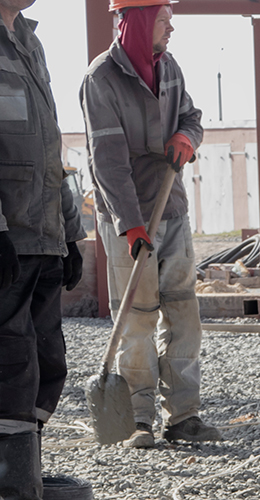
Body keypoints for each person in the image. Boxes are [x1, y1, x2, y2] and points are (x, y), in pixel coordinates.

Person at [80, 0, 221, 448]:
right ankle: (139, 418)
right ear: (138, 22)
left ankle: (184, 416)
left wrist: (187, 137)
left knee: (183, 313)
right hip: (129, 218)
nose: (171, 27)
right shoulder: (100, 79)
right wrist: (130, 225)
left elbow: (192, 118)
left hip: (171, 208)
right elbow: (108, 161)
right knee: (137, 317)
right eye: (164, 19)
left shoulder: (170, 69)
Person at [0, 0, 87, 495]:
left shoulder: (31, 43)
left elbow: (52, 148)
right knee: (9, 369)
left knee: (46, 365)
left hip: (45, 238)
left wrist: (71, 231)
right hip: (8, 239)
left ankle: (24, 472)